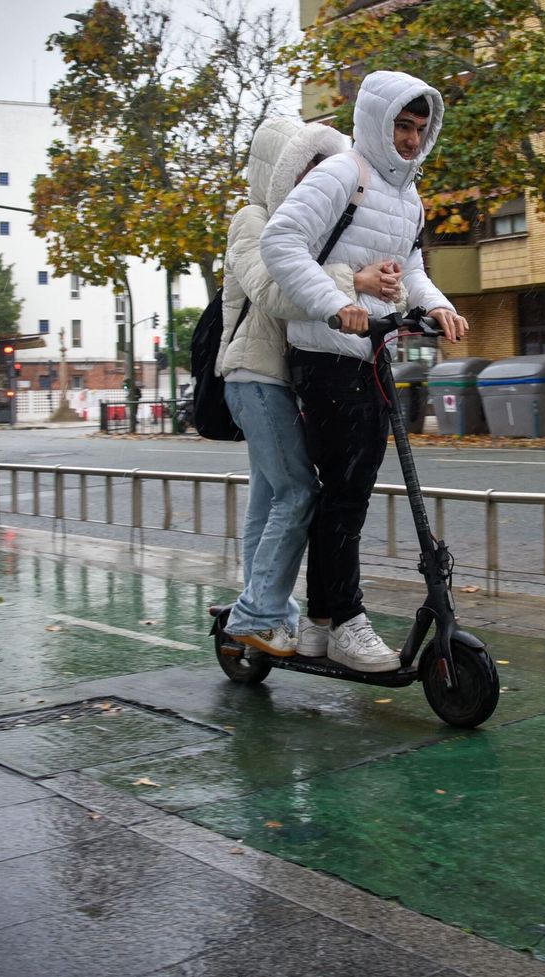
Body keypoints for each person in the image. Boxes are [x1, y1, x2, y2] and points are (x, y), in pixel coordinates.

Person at [261, 70, 468, 673]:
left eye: (419, 129)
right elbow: (281, 242)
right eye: (401, 126)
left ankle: (323, 625)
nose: (410, 139)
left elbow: (411, 271)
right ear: (377, 123)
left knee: (346, 493)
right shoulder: (342, 174)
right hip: (325, 357)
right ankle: (345, 619)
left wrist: (438, 306)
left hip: (371, 357)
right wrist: (335, 304)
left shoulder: (410, 198)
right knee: (346, 493)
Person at [217, 117, 407, 658]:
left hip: (277, 379)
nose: (312, 180)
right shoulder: (252, 221)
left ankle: (258, 606)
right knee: (300, 490)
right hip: (255, 377)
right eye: (303, 169)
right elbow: (274, 292)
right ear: (278, 170)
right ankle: (258, 613)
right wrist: (355, 283)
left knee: (268, 497)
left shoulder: (301, 225)